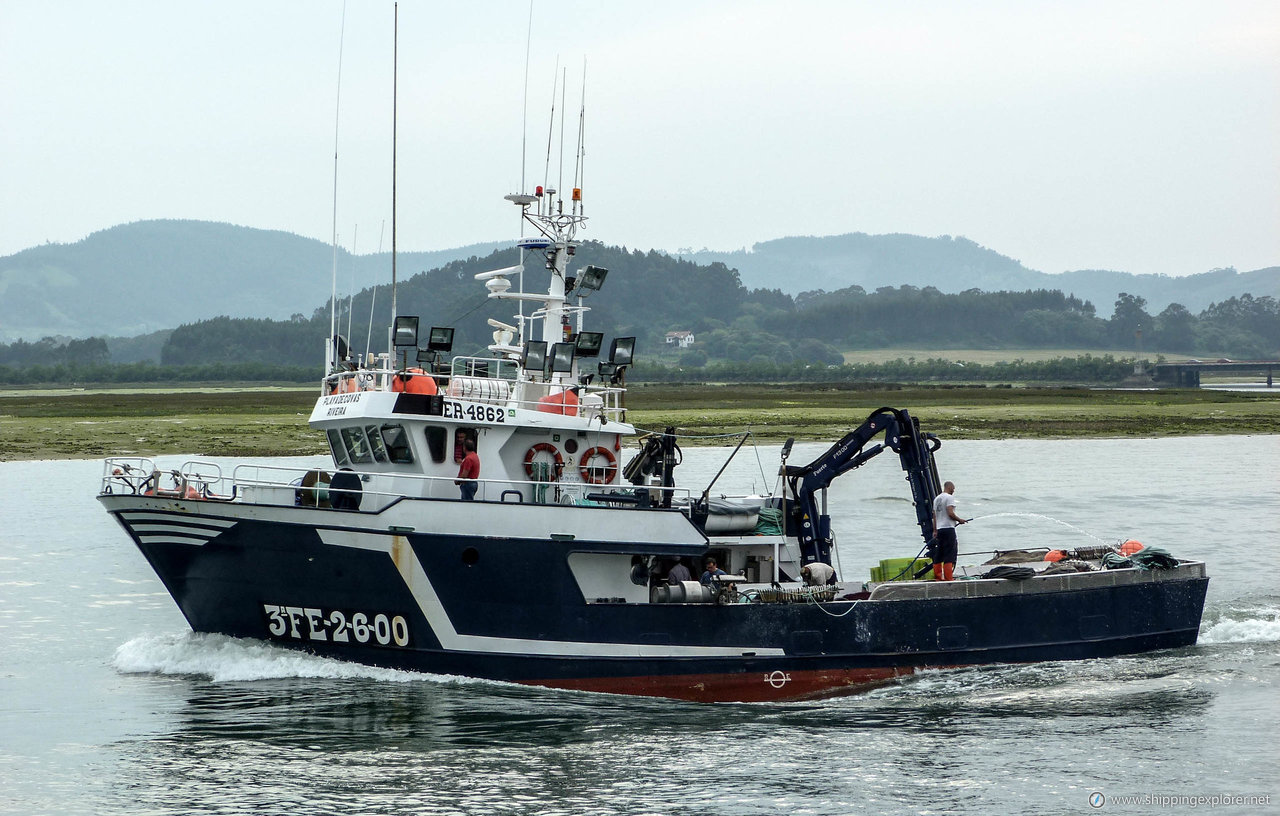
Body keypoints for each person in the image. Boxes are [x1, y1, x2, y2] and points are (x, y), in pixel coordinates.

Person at [931, 480, 967, 581]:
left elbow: (934, 516)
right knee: (949, 554)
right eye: (953, 489)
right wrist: (960, 520)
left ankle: (938, 577)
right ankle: (948, 578)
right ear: (949, 487)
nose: (953, 491)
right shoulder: (949, 497)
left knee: (939, 553)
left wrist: (935, 530)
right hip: (948, 529)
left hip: (940, 529)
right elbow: (950, 513)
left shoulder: (937, 499)